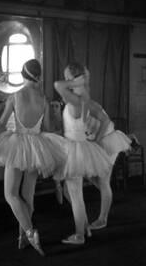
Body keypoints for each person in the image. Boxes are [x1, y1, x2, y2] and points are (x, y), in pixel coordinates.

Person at [0, 59, 65, 256]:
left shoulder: (15, 96)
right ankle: (22, 237)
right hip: (36, 148)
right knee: (27, 195)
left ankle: (30, 232)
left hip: (17, 146)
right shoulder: (43, 99)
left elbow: (2, 123)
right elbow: (47, 128)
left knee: (10, 194)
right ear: (38, 76)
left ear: (23, 74)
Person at [55, 63, 131, 239]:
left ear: (76, 79)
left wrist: (96, 142)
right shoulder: (81, 98)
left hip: (107, 139)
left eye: (68, 77)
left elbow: (105, 121)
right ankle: (82, 225)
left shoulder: (82, 100)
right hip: (89, 140)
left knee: (103, 182)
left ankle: (101, 219)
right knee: (83, 182)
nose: (66, 80)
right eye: (65, 77)